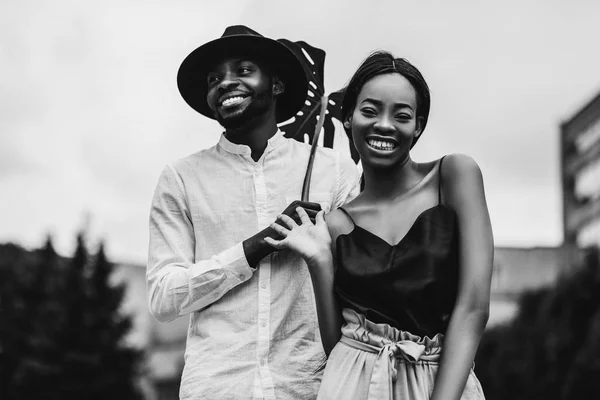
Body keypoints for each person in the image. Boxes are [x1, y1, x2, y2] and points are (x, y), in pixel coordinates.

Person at [146, 25, 360, 400]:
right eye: (215, 79)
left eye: (243, 71)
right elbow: (163, 298)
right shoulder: (180, 178)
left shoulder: (336, 170)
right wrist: (253, 248)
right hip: (216, 387)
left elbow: (364, 284)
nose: (226, 82)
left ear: (276, 85)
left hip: (311, 386)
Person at [265, 51, 493, 400]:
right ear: (348, 119)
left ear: (417, 125)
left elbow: (473, 306)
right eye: (370, 111)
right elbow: (337, 344)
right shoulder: (338, 222)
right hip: (353, 385)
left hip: (441, 381)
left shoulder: (454, 176)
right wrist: (319, 260)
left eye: (401, 115)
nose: (384, 124)